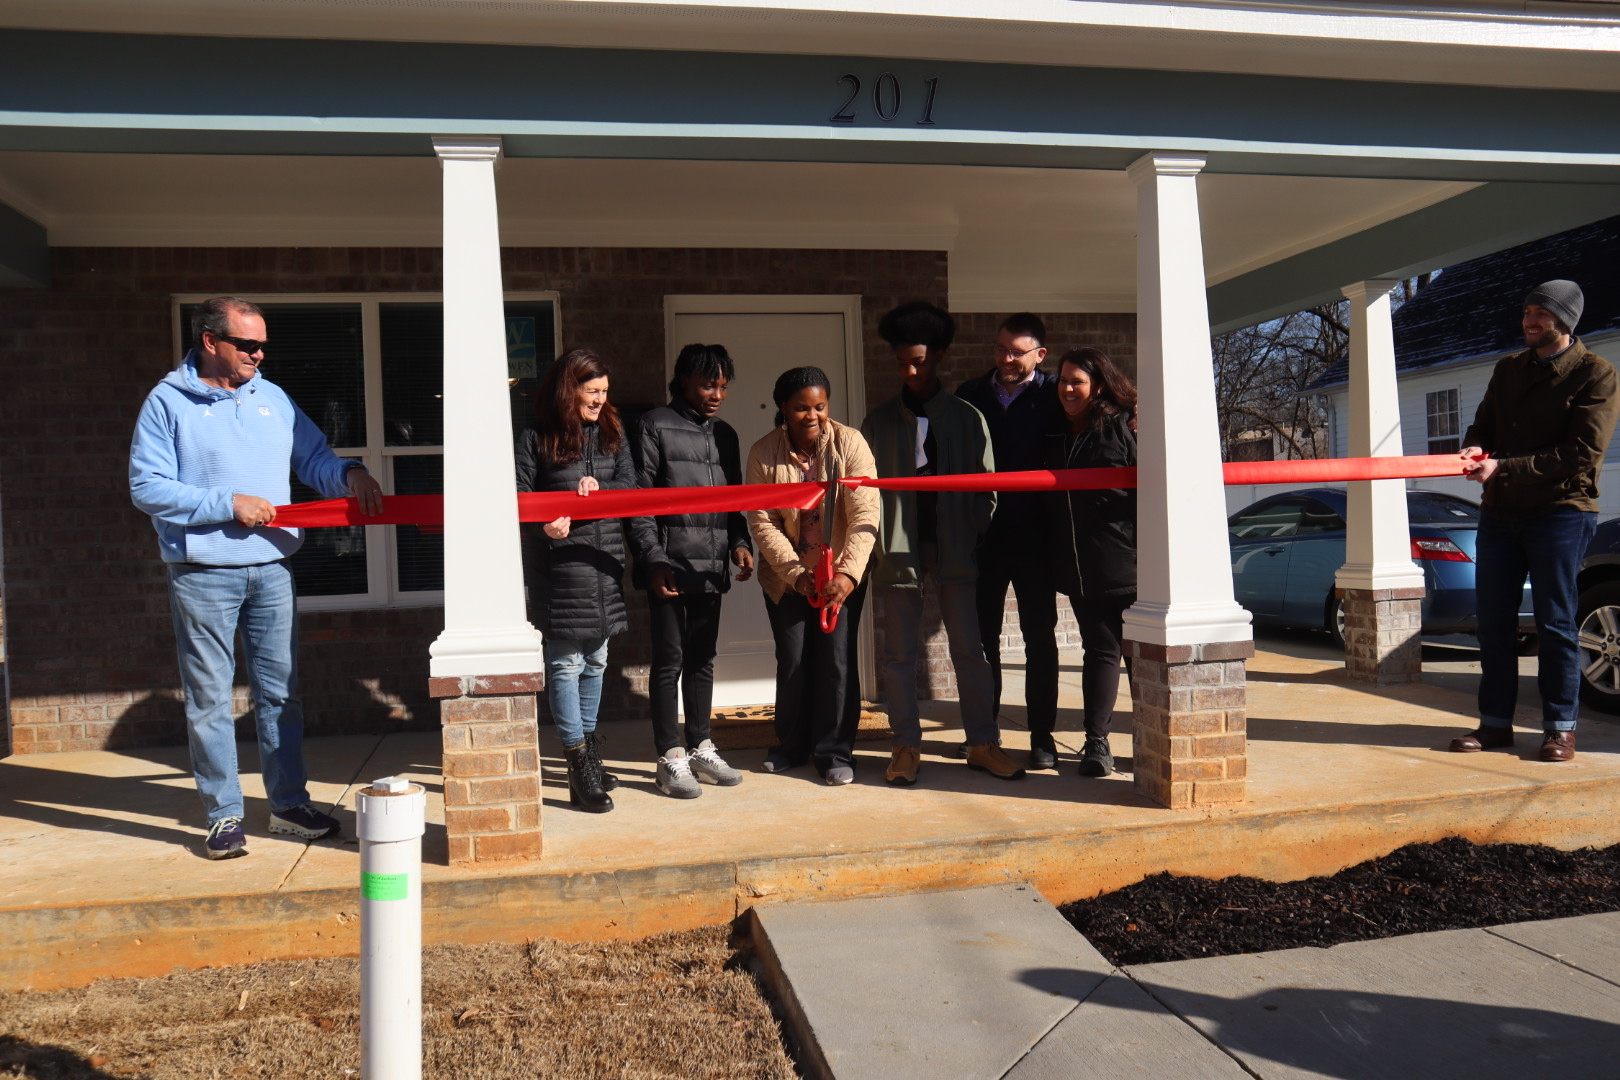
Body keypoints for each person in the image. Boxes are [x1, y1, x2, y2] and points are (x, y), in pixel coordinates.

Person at [129, 296, 384, 860]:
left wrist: (351, 473)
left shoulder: (272, 397)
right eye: (246, 344)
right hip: (202, 573)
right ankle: (223, 816)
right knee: (210, 700)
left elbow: (313, 458)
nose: (258, 353)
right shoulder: (167, 402)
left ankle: (289, 805)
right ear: (210, 341)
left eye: (263, 343)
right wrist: (228, 503)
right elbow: (146, 487)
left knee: (280, 695)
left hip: (271, 570)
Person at [1451, 280, 1619, 763]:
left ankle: (1560, 729)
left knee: (1556, 622)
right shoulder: (1508, 370)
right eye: (1527, 311)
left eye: (1540, 313)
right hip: (1502, 513)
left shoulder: (1596, 375)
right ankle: (1495, 725)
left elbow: (1582, 453)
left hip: (1561, 513)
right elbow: (1484, 424)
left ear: (1564, 321)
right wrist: (1475, 447)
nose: (1529, 319)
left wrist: (1505, 467)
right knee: (1495, 623)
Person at [862, 301, 1023, 786]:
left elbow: (988, 487)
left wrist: (971, 532)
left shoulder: (967, 417)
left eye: (920, 361)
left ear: (940, 357)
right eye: (902, 362)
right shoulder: (879, 422)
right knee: (899, 655)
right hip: (898, 548)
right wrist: (877, 546)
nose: (910, 371)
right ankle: (905, 745)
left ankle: (982, 742)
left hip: (955, 548)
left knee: (970, 648)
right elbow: (864, 490)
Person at [515, 349, 654, 812]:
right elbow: (518, 495)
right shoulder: (536, 436)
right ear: (568, 389)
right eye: (592, 391)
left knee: (596, 659)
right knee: (565, 663)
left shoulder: (612, 432)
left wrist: (601, 491)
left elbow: (633, 490)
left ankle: (589, 752)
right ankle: (578, 763)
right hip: (560, 563)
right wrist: (543, 525)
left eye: (605, 392)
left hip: (603, 559)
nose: (600, 400)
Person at [746, 366, 880, 784]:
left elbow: (866, 513)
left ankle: (835, 753)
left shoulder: (851, 443)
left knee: (836, 662)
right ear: (783, 408)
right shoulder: (763, 453)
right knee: (794, 660)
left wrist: (847, 575)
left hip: (841, 573)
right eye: (801, 408)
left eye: (820, 407)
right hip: (788, 577)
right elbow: (762, 521)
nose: (812, 416)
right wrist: (793, 574)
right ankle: (791, 745)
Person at [633, 343, 755, 799]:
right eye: (708, 384)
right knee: (669, 661)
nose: (717, 394)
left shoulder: (726, 433)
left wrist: (739, 543)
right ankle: (669, 756)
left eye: (723, 386)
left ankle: (702, 745)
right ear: (683, 380)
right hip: (669, 563)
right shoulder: (653, 424)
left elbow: (733, 499)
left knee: (703, 659)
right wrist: (653, 560)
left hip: (711, 562)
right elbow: (638, 502)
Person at [956, 312, 1064, 769]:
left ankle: (1042, 738)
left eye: (1016, 352)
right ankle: (986, 735)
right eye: (1000, 348)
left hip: (1038, 540)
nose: (1005, 358)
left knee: (1040, 638)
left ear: (1039, 355)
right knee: (984, 641)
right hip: (984, 539)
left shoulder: (1058, 394)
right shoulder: (969, 396)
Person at [1044, 348, 1138, 778]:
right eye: (1062, 380)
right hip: (1082, 572)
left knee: (1140, 658)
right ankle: (1097, 744)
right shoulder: (1058, 431)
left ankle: (1152, 740)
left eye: (1076, 381)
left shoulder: (1124, 427)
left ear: (1098, 385)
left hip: (1128, 567)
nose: (1066, 388)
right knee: (1099, 653)